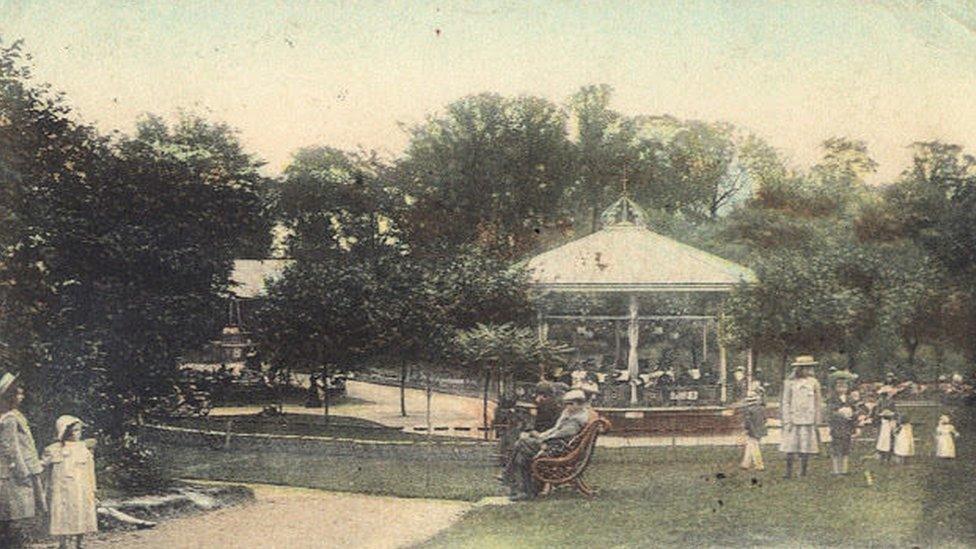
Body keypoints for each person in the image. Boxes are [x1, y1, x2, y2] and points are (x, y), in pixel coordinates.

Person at [501, 389, 590, 501]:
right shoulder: (572, 414)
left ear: (579, 404)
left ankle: (511, 477)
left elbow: (559, 434)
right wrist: (541, 435)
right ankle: (525, 489)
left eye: (571, 404)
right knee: (522, 452)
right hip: (557, 445)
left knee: (522, 443)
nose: (567, 406)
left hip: (557, 448)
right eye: (566, 404)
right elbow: (555, 429)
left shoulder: (576, 420)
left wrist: (541, 437)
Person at [0, 373, 46, 548]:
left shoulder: (15, 414)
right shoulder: (9, 418)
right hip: (15, 471)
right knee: (15, 513)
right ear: (9, 396)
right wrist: (22, 472)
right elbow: (11, 449)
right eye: (18, 393)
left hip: (23, 466)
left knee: (17, 513)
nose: (22, 396)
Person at [42, 416, 97, 549]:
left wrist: (93, 488)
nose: (74, 434)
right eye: (71, 431)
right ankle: (63, 544)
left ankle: (79, 543)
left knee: (81, 512)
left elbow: (90, 470)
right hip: (62, 488)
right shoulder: (54, 449)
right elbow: (43, 466)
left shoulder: (84, 449)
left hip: (81, 487)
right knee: (62, 514)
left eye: (77, 430)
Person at [779, 356, 823, 479]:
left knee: (805, 446)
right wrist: (787, 419)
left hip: (808, 419)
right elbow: (786, 402)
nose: (809, 370)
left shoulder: (814, 382)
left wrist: (817, 419)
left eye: (810, 367)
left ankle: (803, 471)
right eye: (806, 368)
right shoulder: (789, 383)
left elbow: (817, 402)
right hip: (794, 419)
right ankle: (788, 472)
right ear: (799, 368)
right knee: (790, 446)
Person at [827, 373, 857, 475]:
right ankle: (836, 470)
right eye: (839, 386)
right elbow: (830, 412)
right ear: (835, 388)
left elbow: (855, 411)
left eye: (844, 386)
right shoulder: (832, 399)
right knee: (836, 448)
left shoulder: (850, 399)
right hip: (837, 426)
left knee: (846, 447)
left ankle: (844, 469)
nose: (842, 389)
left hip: (847, 426)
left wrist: (852, 416)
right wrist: (840, 414)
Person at [740, 384, 767, 471]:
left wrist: (746, 428)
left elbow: (747, 422)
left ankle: (759, 465)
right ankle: (745, 463)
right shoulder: (761, 409)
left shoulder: (748, 411)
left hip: (752, 429)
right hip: (759, 428)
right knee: (751, 445)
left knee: (754, 447)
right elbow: (764, 419)